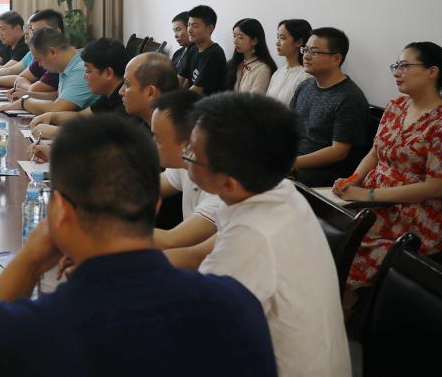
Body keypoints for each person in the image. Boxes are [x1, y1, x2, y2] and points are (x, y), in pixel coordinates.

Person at [0, 115, 276, 377]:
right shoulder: (236, 305)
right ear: (156, 206)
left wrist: (29, 261)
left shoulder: (25, 330)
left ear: (60, 212)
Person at [172, 92, 351, 377]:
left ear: (227, 183)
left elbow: (197, 323)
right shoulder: (277, 188)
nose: (186, 154)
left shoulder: (253, 235)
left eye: (191, 152)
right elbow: (199, 255)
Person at [333, 42, 442, 293]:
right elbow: (374, 153)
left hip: (413, 213)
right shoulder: (396, 106)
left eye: (405, 66)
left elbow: (435, 187)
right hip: (371, 198)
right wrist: (353, 179)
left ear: (432, 71)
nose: (397, 72)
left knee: (352, 249)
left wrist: (369, 195)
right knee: (326, 232)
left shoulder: (438, 122)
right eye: (396, 66)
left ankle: (347, 304)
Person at [30, 51, 177, 162]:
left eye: (127, 85)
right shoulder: (137, 122)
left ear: (150, 92)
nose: (121, 91)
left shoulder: (170, 137)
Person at [292, 27, 368, 187]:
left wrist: (290, 162)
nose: (306, 56)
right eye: (305, 49)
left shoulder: (349, 98)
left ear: (336, 58)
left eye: (314, 52)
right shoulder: (305, 85)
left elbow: (338, 152)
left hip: (322, 173)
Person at [151, 90, 220, 250]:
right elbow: (147, 187)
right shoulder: (187, 163)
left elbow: (172, 241)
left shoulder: (222, 193)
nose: (152, 142)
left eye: (158, 139)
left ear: (189, 144)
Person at [28, 37, 127, 142]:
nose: (84, 76)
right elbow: (82, 116)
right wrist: (52, 116)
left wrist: (59, 132)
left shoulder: (125, 101)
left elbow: (107, 139)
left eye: (88, 71)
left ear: (109, 73)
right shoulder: (108, 95)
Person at [0, 28, 99, 115]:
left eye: (39, 60)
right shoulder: (67, 64)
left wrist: (24, 102)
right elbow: (58, 97)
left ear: (52, 52)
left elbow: (57, 108)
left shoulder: (81, 69)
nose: (40, 65)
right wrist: (27, 95)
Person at [0, 10, 61, 102]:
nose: (26, 32)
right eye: (27, 28)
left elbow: (55, 99)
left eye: (34, 30)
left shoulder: (55, 58)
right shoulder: (32, 53)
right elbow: (17, 77)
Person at [177, 5, 227, 95]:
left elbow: (196, 91)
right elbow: (179, 79)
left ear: (210, 28)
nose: (189, 30)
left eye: (195, 26)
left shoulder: (215, 54)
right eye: (188, 25)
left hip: (207, 102)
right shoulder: (193, 49)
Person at [266, 19, 313, 107]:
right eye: (278, 37)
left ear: (299, 42)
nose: (277, 43)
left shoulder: (306, 77)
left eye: (282, 38)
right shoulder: (278, 73)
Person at [226, 18, 276, 93]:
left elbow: (254, 99)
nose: (235, 41)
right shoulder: (233, 64)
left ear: (254, 41)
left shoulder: (262, 69)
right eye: (234, 36)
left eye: (240, 37)